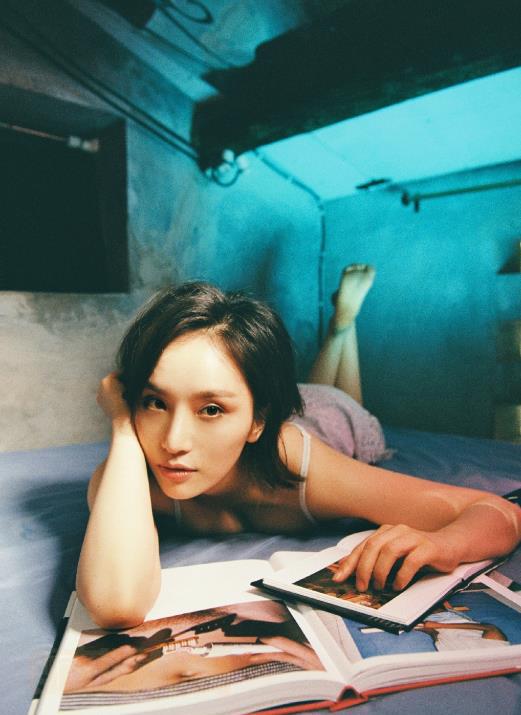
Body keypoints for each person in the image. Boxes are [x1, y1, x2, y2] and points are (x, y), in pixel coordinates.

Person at [76, 273, 521, 630]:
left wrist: (445, 543)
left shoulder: (306, 470)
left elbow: (500, 511)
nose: (173, 442)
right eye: (154, 402)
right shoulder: (130, 473)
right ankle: (339, 327)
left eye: (210, 409)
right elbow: (117, 604)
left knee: (337, 395)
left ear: (257, 421)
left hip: (332, 418)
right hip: (276, 399)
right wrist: (122, 426)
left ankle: (343, 327)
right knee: (310, 386)